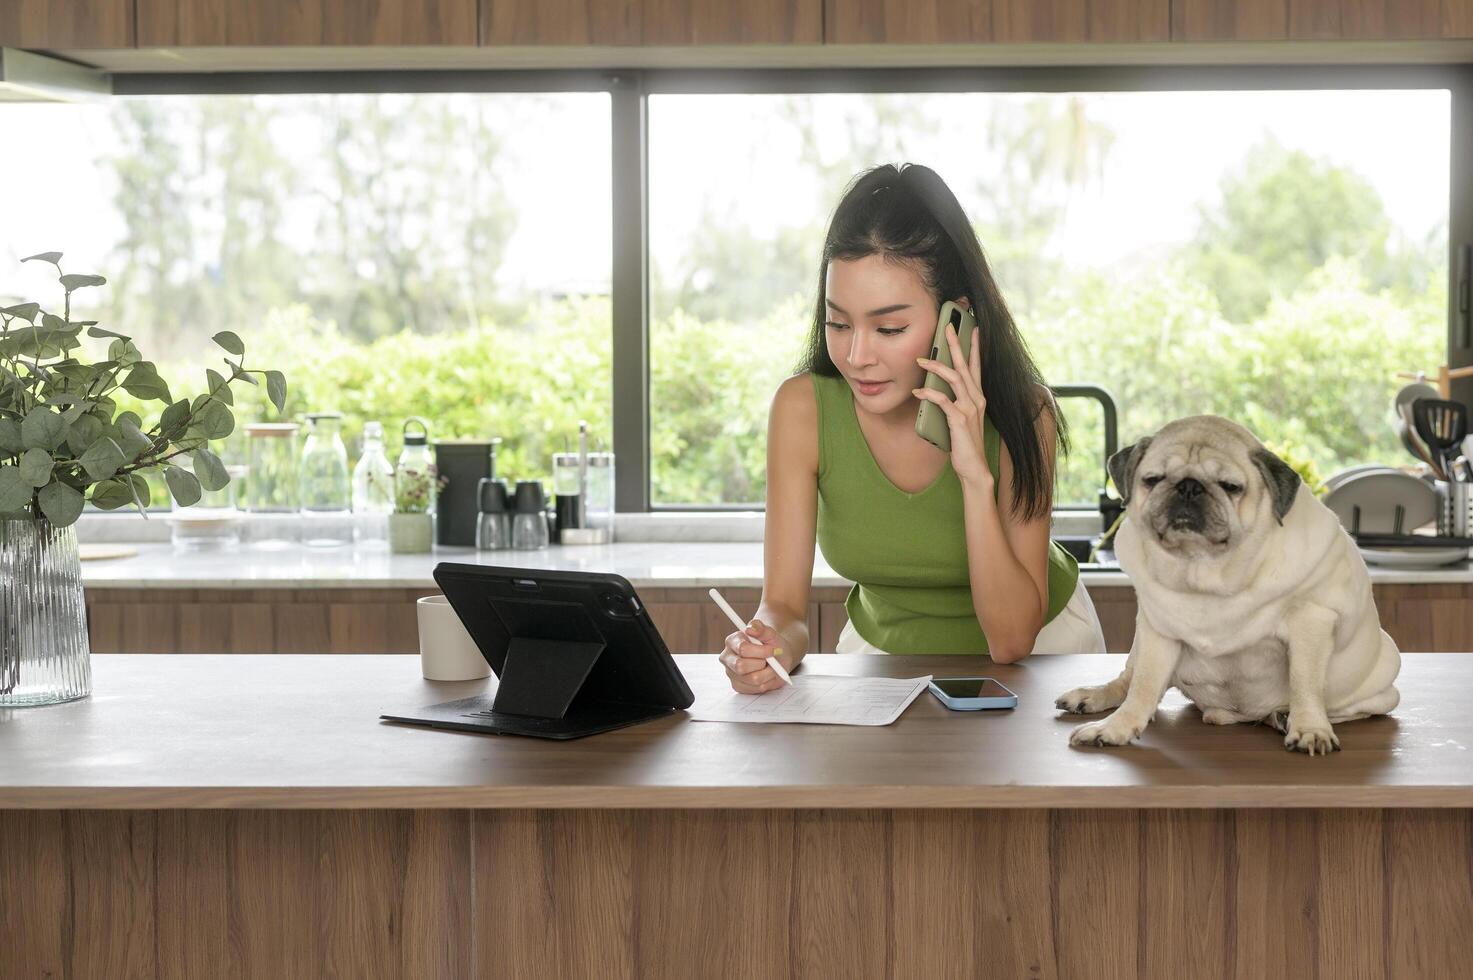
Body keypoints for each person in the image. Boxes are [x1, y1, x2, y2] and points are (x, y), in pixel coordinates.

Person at [721, 163, 1106, 694]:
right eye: (838, 323)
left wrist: (974, 472)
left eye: (889, 328)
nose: (857, 356)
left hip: (1044, 661)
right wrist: (767, 646)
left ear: (956, 319)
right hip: (882, 660)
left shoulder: (1024, 413)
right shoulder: (802, 409)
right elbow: (784, 607)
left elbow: (1013, 641)